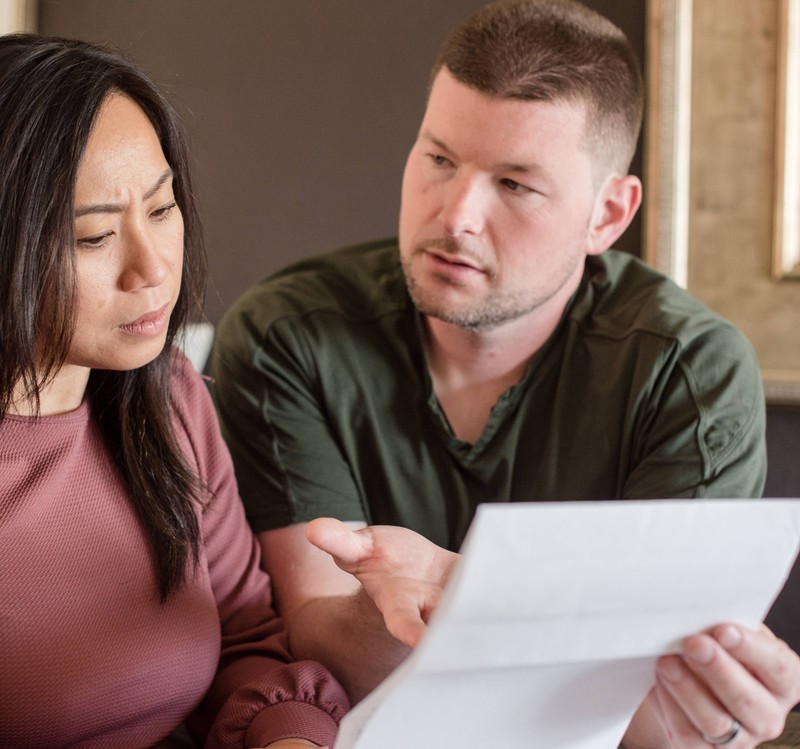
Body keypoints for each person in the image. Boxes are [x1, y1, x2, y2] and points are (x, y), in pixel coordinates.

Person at [211, 0, 800, 746]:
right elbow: (318, 639)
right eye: (438, 159)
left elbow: (648, 722)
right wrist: (416, 608)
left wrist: (719, 716)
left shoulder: (690, 373)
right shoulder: (286, 336)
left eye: (516, 185)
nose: (456, 215)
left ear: (607, 216)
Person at [0, 34, 349, 748]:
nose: (153, 269)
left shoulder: (168, 400)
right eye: (94, 237)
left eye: (162, 210)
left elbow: (247, 638)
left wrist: (287, 736)